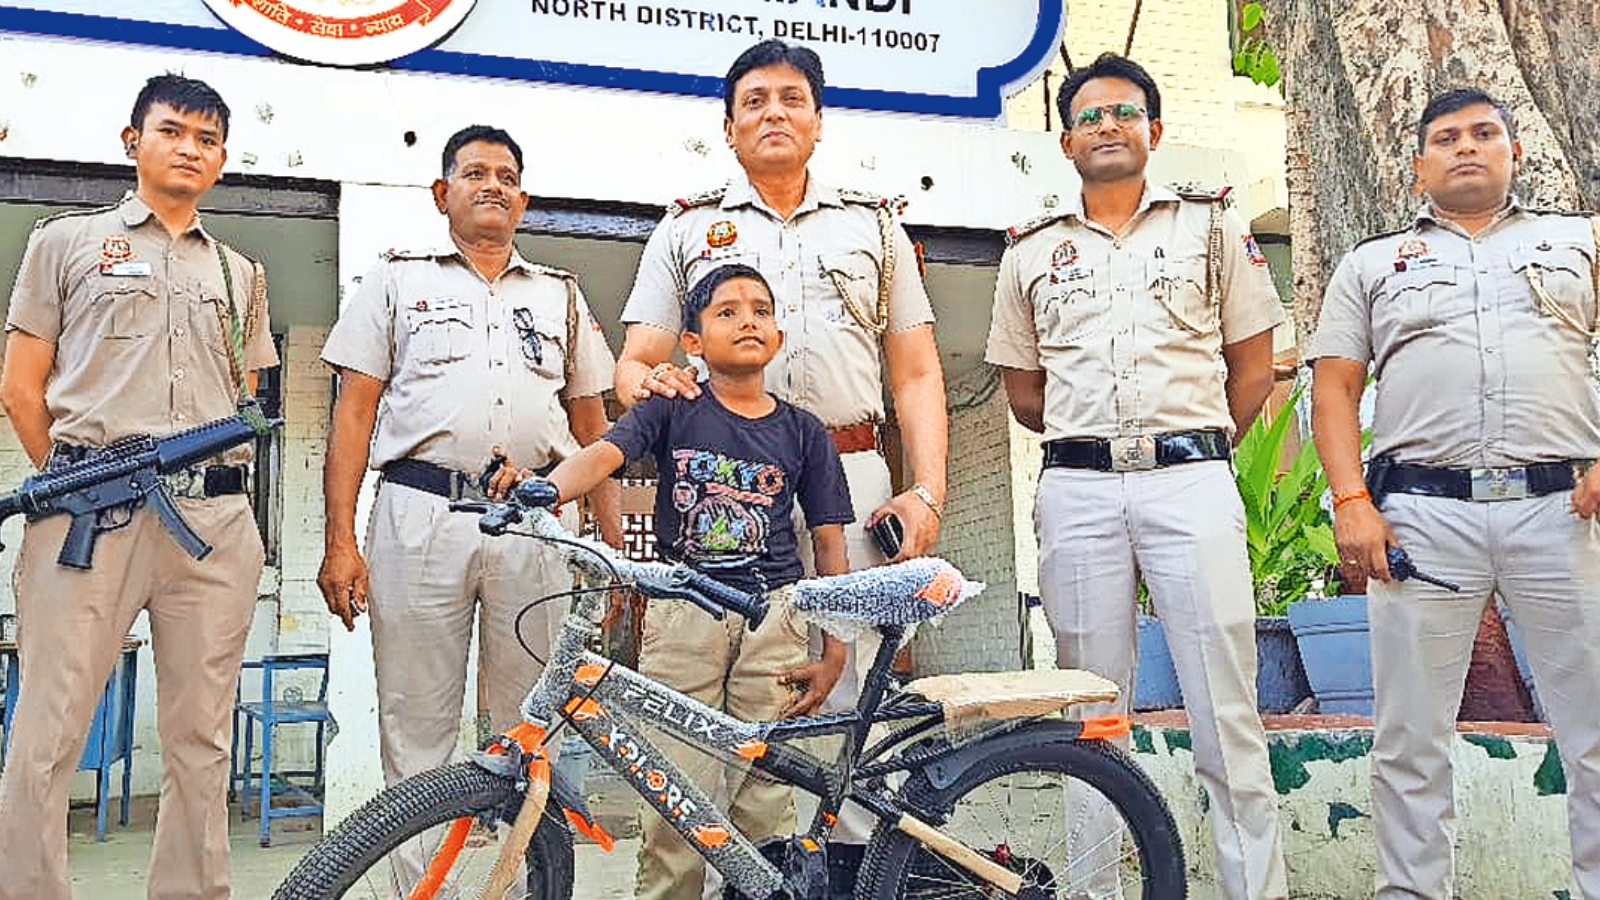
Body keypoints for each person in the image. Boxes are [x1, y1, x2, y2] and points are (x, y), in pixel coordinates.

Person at [615, 39, 948, 893]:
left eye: (791, 98)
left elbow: (914, 372)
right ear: (729, 128)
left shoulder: (875, 224)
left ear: (818, 120)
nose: (773, 113)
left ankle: (858, 881)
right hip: (728, 499)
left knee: (846, 713)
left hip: (850, 480)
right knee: (710, 715)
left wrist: (928, 491)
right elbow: (635, 364)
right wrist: (649, 382)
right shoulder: (686, 227)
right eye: (754, 100)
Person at [985, 53, 1288, 900]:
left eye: (1124, 112)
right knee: (1091, 712)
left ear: (1154, 131)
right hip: (1077, 490)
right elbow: (1026, 393)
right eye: (1089, 115)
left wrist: (1185, 442)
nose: (1107, 125)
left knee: (1225, 706)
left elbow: (1253, 369)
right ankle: (1096, 891)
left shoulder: (1213, 228)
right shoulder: (1028, 253)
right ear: (1065, 139)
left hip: (1191, 482)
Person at [1309, 87, 1600, 900]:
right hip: (1421, 518)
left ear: (1512, 150)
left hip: (1562, 513)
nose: (1466, 146)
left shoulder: (1579, 241)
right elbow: (1332, 390)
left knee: (1595, 730)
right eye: (1446, 137)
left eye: (1484, 133)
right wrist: (1350, 502)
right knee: (1409, 736)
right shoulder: (1373, 263)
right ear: (1416, 168)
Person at [316, 125, 619, 892]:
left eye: (506, 176)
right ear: (441, 192)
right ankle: (421, 892)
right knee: (415, 729)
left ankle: (526, 888)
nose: (492, 185)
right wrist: (339, 542)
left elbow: (594, 427)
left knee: (533, 729)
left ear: (523, 198)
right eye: (474, 172)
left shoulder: (562, 294)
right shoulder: (396, 280)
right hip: (419, 515)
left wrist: (612, 550)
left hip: (537, 524)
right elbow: (353, 414)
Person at [0, 74, 275, 900]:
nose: (190, 148)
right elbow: (21, 385)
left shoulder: (241, 273)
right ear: (133, 142)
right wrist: (75, 482)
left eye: (207, 139)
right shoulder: (67, 242)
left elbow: (248, 397)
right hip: (90, 513)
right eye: (173, 131)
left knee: (202, 736)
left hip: (213, 522)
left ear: (222, 160)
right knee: (49, 729)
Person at [510, 263, 852, 900]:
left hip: (774, 620)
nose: (746, 319)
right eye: (726, 311)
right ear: (692, 341)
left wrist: (835, 649)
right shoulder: (674, 408)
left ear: (777, 337)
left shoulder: (803, 431)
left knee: (765, 799)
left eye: (759, 310)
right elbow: (608, 452)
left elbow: (828, 540)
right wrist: (547, 488)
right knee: (671, 792)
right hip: (681, 610)